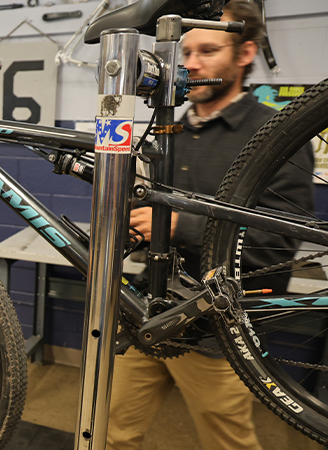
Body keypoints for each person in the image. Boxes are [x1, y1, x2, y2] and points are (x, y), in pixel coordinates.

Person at [107, 2, 314, 450]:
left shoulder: (277, 136)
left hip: (219, 331)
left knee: (228, 443)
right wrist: (134, 228)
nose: (191, 64)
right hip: (149, 313)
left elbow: (276, 246)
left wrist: (178, 224)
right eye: (187, 53)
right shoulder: (168, 132)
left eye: (208, 50)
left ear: (244, 54)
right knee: (112, 433)